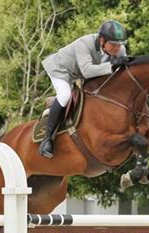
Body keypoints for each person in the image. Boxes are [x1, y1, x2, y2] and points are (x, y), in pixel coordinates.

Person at [39, 19, 130, 159]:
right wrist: (112, 65)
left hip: (79, 74)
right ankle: (47, 139)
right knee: (65, 95)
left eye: (120, 44)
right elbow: (87, 71)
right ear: (102, 40)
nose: (117, 48)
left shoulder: (120, 50)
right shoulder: (84, 43)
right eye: (113, 44)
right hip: (61, 70)